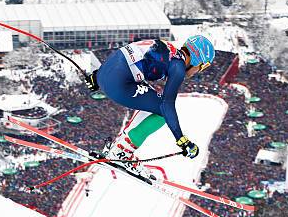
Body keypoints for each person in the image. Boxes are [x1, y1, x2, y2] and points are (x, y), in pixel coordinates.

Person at [85, 35, 215, 177]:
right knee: (163, 112)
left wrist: (98, 77)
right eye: (201, 67)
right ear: (197, 59)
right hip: (118, 85)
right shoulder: (178, 67)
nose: (198, 71)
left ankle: (120, 148)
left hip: (104, 75)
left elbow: (124, 55)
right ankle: (122, 151)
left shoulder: (167, 47)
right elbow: (168, 105)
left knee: (153, 99)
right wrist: (182, 140)